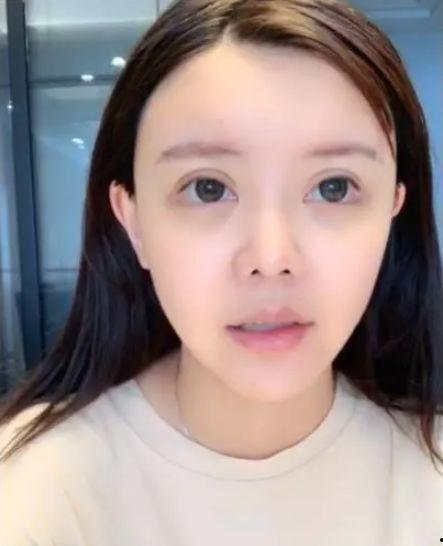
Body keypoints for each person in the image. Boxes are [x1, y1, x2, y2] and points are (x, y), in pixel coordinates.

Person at [0, 0, 442, 544]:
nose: (272, 257)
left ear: (392, 211)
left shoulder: (428, 473)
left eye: (334, 187)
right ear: (133, 221)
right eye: (207, 188)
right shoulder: (34, 492)